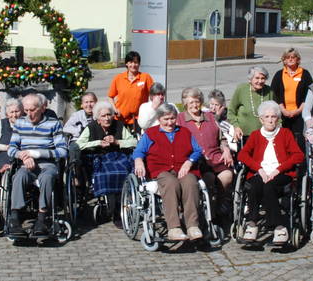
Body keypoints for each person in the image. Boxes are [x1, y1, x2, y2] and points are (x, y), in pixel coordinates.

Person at [133, 103, 203, 242]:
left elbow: (197, 150)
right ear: (159, 119)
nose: (170, 122)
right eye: (166, 119)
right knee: (171, 184)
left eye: (172, 118)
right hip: (161, 170)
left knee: (190, 183)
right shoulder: (150, 134)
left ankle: (192, 226)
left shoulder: (185, 132)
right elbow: (139, 151)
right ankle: (174, 228)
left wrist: (189, 162)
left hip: (183, 168)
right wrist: (138, 161)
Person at [237, 101, 304, 245]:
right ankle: (252, 223)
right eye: (266, 117)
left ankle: (279, 227)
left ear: (278, 118)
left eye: (273, 116)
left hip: (281, 174)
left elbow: (298, 155)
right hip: (260, 173)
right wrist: (259, 169)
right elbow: (242, 155)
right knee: (254, 185)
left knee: (269, 186)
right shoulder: (255, 135)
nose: (270, 120)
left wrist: (278, 169)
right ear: (261, 119)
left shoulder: (285, 133)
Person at [5, 93, 68, 237]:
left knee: (46, 178)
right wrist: (22, 155)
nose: (29, 114)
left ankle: (42, 218)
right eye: (26, 110)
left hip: (48, 164)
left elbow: (62, 151)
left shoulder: (53, 124)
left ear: (42, 108)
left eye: (32, 110)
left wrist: (37, 154)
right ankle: (15, 218)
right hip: (26, 164)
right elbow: (11, 148)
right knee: (19, 176)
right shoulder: (20, 123)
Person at [178, 87, 235, 219]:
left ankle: (219, 204)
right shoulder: (180, 119)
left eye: (197, 101)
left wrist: (226, 149)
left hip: (215, 157)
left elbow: (222, 138)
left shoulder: (210, 117)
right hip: (195, 160)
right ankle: (208, 212)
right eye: (191, 102)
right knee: (208, 178)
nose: (194, 105)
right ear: (185, 103)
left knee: (227, 175)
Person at [77, 100, 137, 215]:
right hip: (99, 158)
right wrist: (97, 143)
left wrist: (117, 141)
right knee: (106, 174)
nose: (107, 118)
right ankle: (113, 209)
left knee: (123, 172)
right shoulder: (91, 127)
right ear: (98, 119)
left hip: (117, 157)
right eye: (103, 116)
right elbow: (78, 144)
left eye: (109, 115)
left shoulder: (118, 125)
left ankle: (119, 208)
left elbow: (134, 142)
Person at [270, 48, 313, 137]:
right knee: (284, 138)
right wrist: (283, 110)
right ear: (284, 60)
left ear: (298, 59)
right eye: (287, 57)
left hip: (300, 114)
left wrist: (298, 111)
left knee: (299, 139)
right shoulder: (279, 74)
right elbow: (274, 94)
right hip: (283, 114)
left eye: (293, 57)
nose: (290, 59)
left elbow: (309, 95)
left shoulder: (305, 74)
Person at [108, 51, 154, 128]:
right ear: (126, 63)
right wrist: (115, 109)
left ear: (139, 64)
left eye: (136, 62)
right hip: (120, 118)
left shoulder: (145, 77)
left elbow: (154, 94)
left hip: (139, 118)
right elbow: (110, 96)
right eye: (131, 62)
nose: (133, 65)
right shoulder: (118, 78)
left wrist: (150, 109)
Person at [228, 66, 273, 140]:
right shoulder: (241, 89)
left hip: (265, 134)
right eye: (257, 78)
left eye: (263, 78)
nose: (260, 81)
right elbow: (231, 111)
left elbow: (275, 112)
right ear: (250, 79)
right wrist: (236, 126)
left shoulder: (269, 91)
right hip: (243, 134)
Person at [0, 97, 23, 172]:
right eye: (11, 112)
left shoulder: (26, 124)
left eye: (17, 111)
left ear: (22, 112)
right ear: (7, 114)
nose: (14, 115)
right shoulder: (1, 124)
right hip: (4, 156)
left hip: (21, 156)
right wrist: (5, 147)